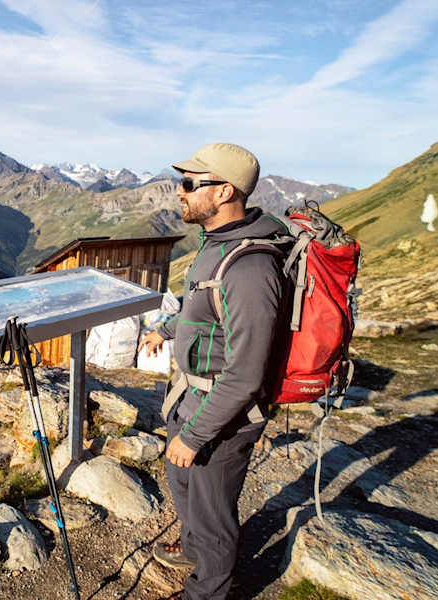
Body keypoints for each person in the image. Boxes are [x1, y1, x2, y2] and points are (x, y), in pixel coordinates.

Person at [139, 143, 288, 600]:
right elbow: (200, 304)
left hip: (222, 416)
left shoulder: (251, 268)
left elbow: (245, 374)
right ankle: (194, 549)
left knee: (213, 514)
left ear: (224, 191)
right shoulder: (217, 243)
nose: (179, 193)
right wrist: (166, 328)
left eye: (189, 184)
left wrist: (196, 435)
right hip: (192, 398)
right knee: (187, 492)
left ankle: (207, 590)